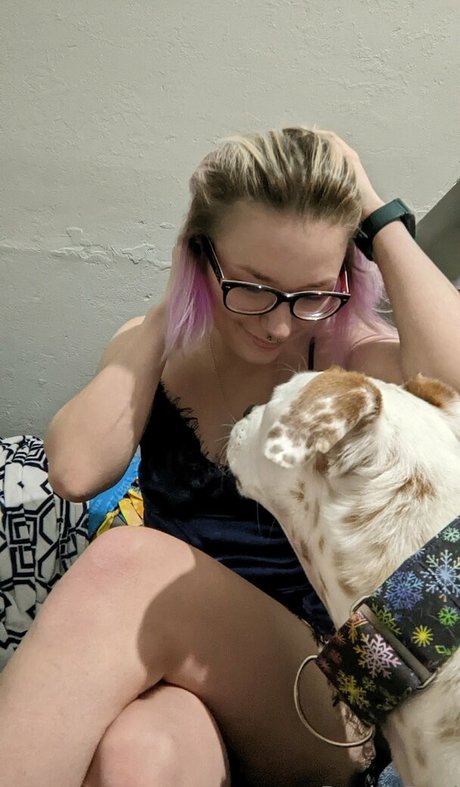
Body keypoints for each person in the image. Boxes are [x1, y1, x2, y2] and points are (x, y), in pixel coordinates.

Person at [0, 127, 459, 787]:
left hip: (319, 698)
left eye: (311, 293)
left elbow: (454, 384)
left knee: (129, 561)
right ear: (201, 255)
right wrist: (169, 310)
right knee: (138, 754)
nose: (279, 325)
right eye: (253, 286)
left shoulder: (349, 355)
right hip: (185, 692)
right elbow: (75, 471)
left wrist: (375, 212)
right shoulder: (152, 348)